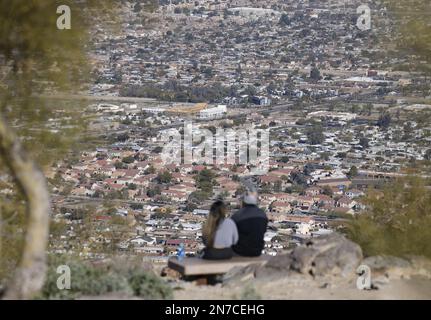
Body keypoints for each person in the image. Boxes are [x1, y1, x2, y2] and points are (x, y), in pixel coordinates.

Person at [231, 187, 268, 257]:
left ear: (244, 203)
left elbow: (232, 235)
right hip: (257, 251)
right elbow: (263, 231)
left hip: (240, 251)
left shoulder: (237, 215)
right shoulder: (262, 214)